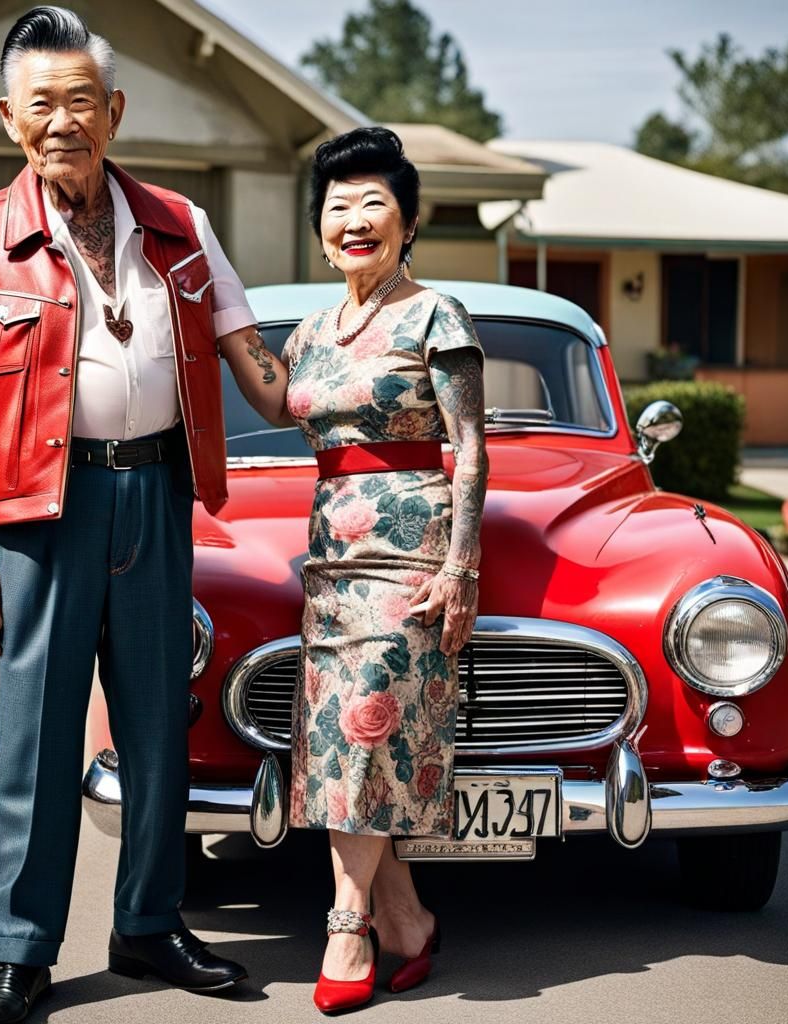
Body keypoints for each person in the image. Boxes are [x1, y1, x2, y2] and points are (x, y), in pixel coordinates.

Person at [0, 8, 289, 1023]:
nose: (63, 120)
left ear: (114, 111)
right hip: (37, 511)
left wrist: (370, 365)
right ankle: (22, 950)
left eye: (82, 99)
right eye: (42, 103)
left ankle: (150, 924)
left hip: (157, 493)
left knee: (161, 721)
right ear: (8, 119)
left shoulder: (181, 224)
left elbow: (255, 357)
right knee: (35, 735)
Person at [284, 127, 488, 1012]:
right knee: (333, 737)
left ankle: (347, 920)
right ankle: (410, 923)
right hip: (330, 556)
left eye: (374, 204)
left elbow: (473, 450)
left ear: (408, 223)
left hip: (410, 553)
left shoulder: (435, 313)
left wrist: (462, 564)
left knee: (364, 727)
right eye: (337, 209)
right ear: (320, 233)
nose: (355, 221)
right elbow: (273, 395)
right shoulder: (309, 331)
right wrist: (211, 325)